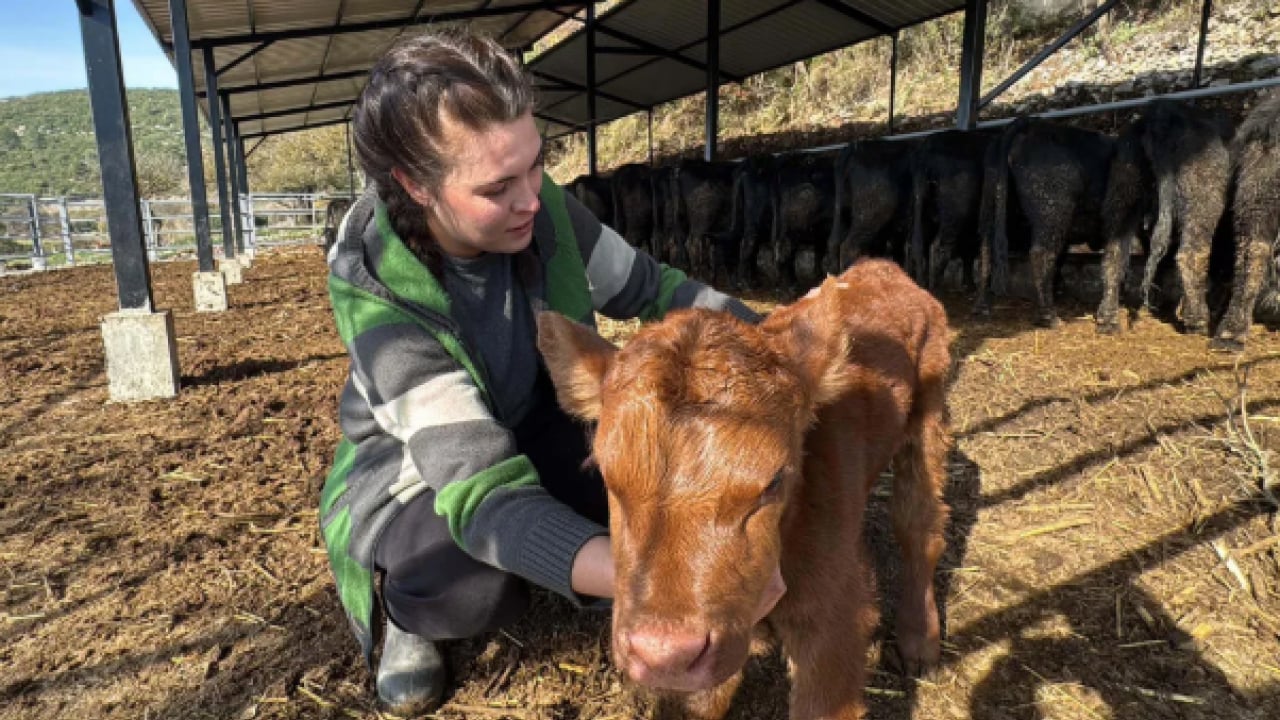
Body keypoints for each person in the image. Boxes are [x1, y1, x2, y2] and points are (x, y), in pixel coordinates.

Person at [319, 30, 771, 716]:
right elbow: (481, 491)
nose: (530, 198)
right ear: (415, 185)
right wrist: (672, 584)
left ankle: (576, 560)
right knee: (468, 580)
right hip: (418, 475)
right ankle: (402, 619)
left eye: (535, 165)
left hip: (533, 415)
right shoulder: (383, 300)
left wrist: (775, 346)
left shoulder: (545, 209)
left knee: (642, 481)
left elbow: (653, 288)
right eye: (496, 187)